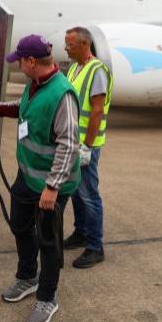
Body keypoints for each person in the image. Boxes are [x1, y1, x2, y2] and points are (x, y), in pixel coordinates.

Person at [0, 34, 80, 322]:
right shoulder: (36, 86)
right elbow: (23, 108)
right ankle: (27, 277)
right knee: (19, 225)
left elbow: (69, 145)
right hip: (28, 177)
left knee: (48, 241)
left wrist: (52, 188)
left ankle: (47, 297)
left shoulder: (62, 94)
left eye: (20, 60)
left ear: (31, 62)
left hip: (50, 187)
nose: (17, 64)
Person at [62, 27, 113, 269]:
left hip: (86, 145)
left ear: (85, 44)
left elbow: (96, 110)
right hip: (73, 142)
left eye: (70, 44)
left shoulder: (97, 70)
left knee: (89, 194)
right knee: (75, 191)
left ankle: (95, 246)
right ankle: (80, 232)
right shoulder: (73, 68)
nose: (66, 48)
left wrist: (87, 147)